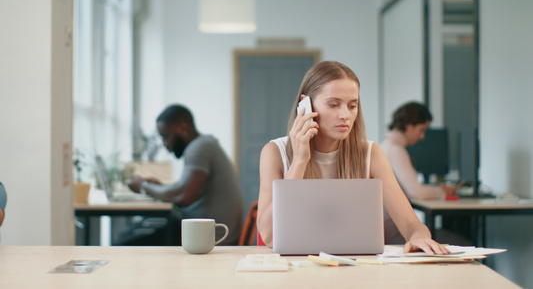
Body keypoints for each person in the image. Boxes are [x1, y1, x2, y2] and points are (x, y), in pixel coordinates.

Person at [257, 61, 449, 254]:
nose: (345, 115)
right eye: (333, 104)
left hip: (354, 269)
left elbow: (411, 224)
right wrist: (299, 161)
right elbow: (268, 236)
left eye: (352, 105)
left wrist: (419, 237)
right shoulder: (274, 152)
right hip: (293, 271)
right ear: (305, 105)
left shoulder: (371, 154)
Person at [126, 104, 244, 245]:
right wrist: (159, 187)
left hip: (209, 239)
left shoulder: (200, 147)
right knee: (132, 236)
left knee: (126, 244)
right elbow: (184, 188)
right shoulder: (204, 143)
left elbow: (184, 196)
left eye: (166, 136)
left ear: (182, 128)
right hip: (206, 233)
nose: (165, 144)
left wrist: (144, 186)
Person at [380, 102, 462, 200]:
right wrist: (444, 191)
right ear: (409, 126)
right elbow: (417, 193)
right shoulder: (395, 150)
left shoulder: (386, 145)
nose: (422, 137)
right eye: (421, 130)